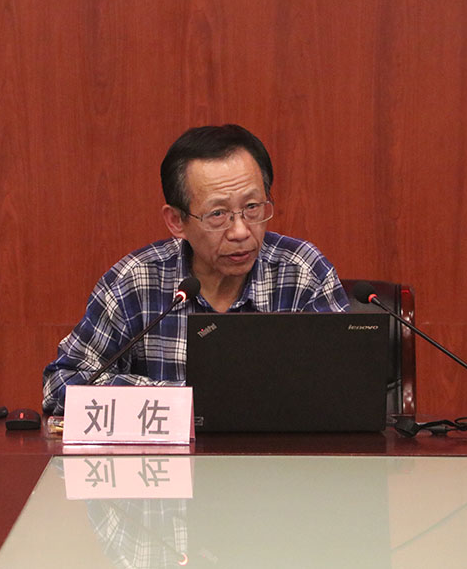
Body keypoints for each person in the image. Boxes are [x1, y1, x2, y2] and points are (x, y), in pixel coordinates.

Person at [42, 124, 349, 414]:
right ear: (177, 221)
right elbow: (62, 383)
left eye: (252, 207)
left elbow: (346, 385)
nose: (241, 231)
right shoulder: (136, 280)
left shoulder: (302, 272)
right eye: (218, 214)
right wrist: (185, 399)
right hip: (170, 455)